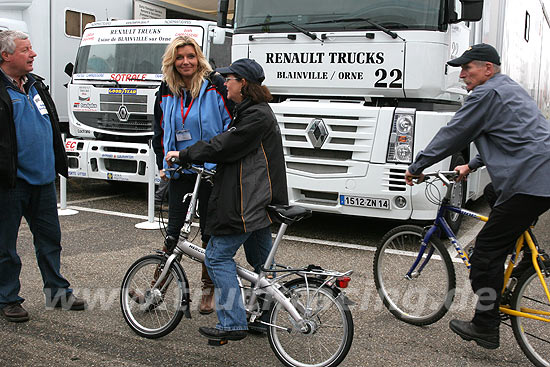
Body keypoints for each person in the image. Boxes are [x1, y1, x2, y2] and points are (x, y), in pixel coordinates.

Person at [405, 43, 550, 349]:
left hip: (529, 180)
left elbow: (454, 132)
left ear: (487, 68)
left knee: (484, 252)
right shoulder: (508, 88)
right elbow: (512, 135)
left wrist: (418, 165)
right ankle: (526, 258)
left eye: (467, 67)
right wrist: (470, 165)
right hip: (540, 176)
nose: (462, 74)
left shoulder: (485, 94)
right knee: (492, 191)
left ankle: (485, 326)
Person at [165, 58, 288, 341]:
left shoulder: (255, 116)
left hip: (249, 201)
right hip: (259, 200)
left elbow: (224, 145)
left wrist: (184, 154)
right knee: (261, 266)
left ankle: (232, 323)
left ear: (243, 84)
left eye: (230, 80)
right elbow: (231, 141)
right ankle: (262, 317)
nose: (226, 85)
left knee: (217, 256)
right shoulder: (253, 110)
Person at [0, 30, 87, 322]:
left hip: (43, 181)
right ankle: (8, 298)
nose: (33, 54)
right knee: (5, 247)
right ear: (6, 55)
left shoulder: (36, 85)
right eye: (26, 50)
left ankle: (57, 293)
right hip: (10, 183)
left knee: (50, 240)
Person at [152, 36, 232, 314]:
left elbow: (230, 126)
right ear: (171, 61)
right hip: (180, 171)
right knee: (173, 233)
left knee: (210, 234)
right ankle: (156, 288)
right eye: (179, 57)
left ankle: (208, 292)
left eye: (191, 56)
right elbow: (160, 131)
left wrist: (221, 160)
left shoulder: (215, 85)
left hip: (211, 172)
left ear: (198, 58)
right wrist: (163, 161)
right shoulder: (166, 89)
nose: (186, 62)